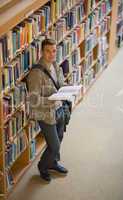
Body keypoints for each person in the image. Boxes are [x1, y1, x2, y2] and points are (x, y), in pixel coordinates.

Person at [26, 38, 68, 182]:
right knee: (54, 145)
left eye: (54, 51)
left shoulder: (56, 66)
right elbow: (32, 100)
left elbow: (60, 84)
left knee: (60, 137)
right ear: (42, 52)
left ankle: (53, 163)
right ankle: (43, 166)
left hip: (59, 109)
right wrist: (51, 100)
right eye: (48, 51)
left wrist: (69, 89)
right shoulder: (36, 73)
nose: (51, 54)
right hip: (45, 114)